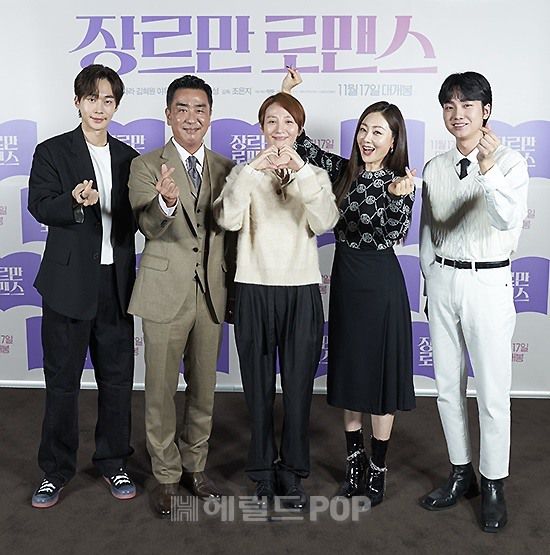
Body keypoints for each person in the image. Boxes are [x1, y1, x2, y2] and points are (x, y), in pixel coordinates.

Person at [283, 68, 416, 507]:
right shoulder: (342, 171)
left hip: (381, 286)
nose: (367, 138)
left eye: (378, 132)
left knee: (378, 378)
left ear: (393, 141)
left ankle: (378, 469)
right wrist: (286, 96)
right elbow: (298, 145)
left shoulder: (399, 183)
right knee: (350, 371)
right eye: (363, 129)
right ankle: (354, 464)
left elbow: (394, 232)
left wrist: (397, 196)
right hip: (345, 282)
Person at [214, 92, 339, 509]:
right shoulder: (244, 173)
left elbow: (325, 221)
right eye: (271, 121)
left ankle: (293, 471)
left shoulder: (314, 175)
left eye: (288, 122)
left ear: (299, 130)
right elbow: (228, 218)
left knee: (299, 388)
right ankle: (263, 472)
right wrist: (253, 171)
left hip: (301, 291)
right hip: (253, 288)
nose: (280, 129)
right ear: (261, 128)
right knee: (258, 388)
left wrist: (300, 172)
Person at [418, 72, 528, 532]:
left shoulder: (511, 163)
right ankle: (460, 472)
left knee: (492, 392)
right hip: (444, 281)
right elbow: (429, 231)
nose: (457, 114)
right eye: (449, 106)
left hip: (488, 283)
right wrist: (430, 282)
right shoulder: (435, 167)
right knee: (447, 386)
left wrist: (487, 168)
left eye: (467, 105)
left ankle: (494, 482)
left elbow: (506, 219)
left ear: (486, 112)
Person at [28, 64, 139, 508]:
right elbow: (39, 204)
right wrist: (74, 201)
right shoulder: (52, 151)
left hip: (116, 285)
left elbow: (136, 218)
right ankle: (55, 471)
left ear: (116, 106)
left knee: (117, 381)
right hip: (68, 285)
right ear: (77, 102)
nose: (100, 107)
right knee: (62, 383)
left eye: (108, 100)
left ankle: (114, 461)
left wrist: (165, 202)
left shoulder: (129, 158)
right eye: (92, 98)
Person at [128, 75, 234, 518]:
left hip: (211, 293)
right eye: (183, 109)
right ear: (169, 114)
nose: (192, 118)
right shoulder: (146, 165)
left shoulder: (227, 168)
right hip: (163, 293)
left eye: (200, 109)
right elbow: (147, 225)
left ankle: (196, 466)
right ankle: (167, 476)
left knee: (204, 389)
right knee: (160, 391)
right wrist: (166, 204)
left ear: (210, 116)